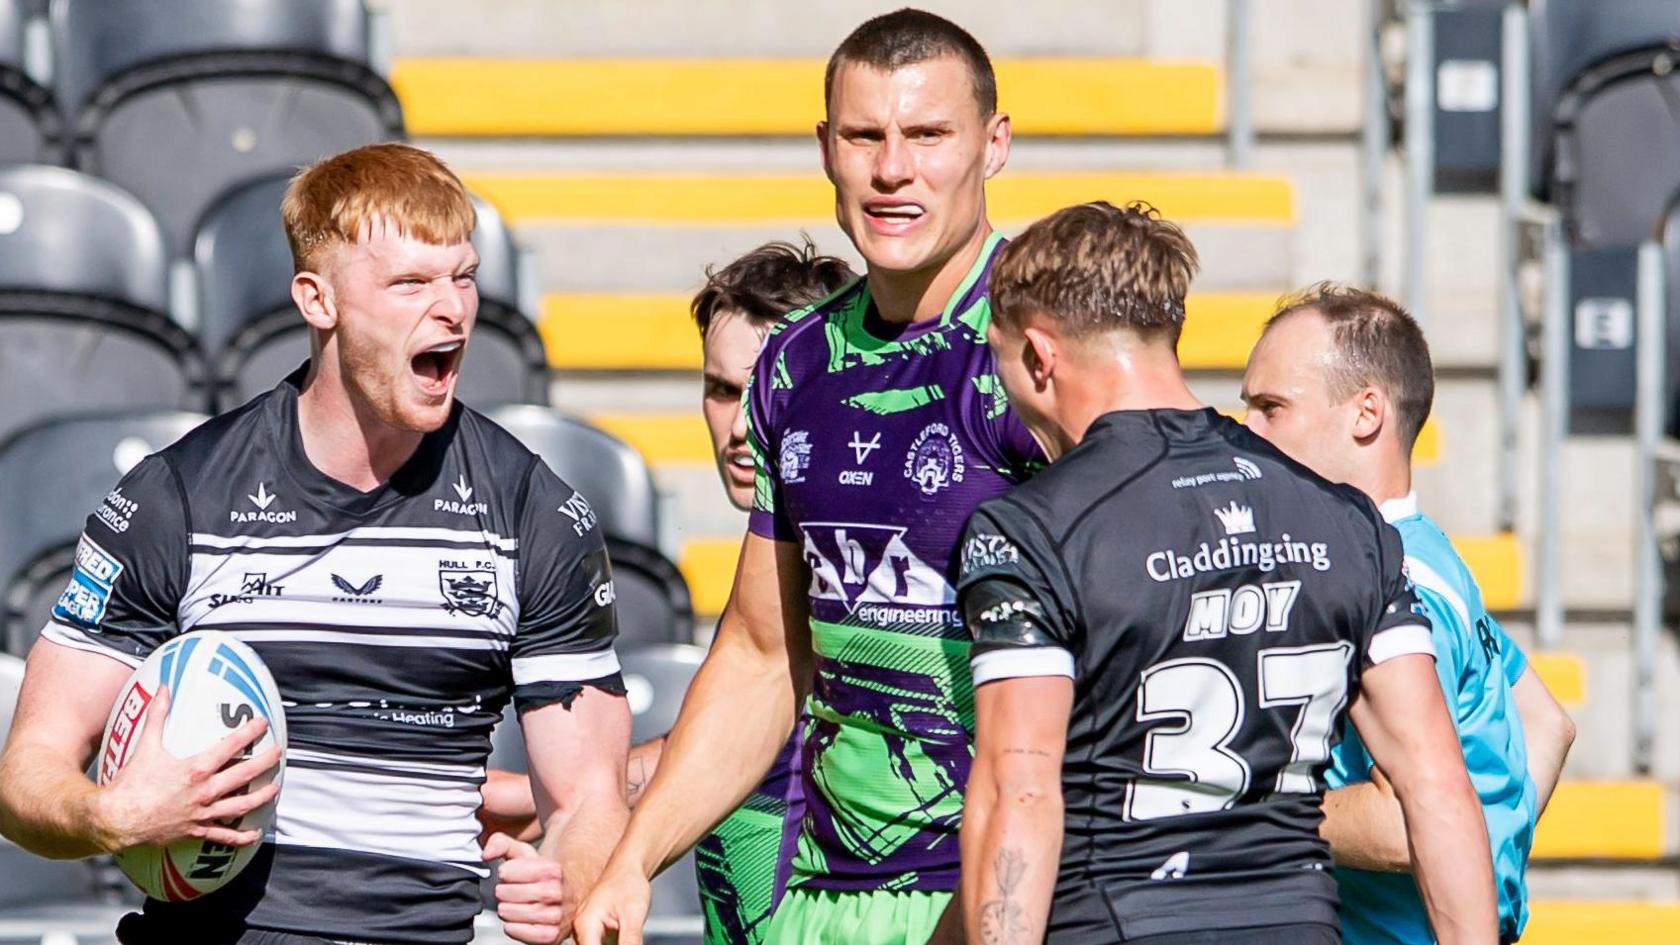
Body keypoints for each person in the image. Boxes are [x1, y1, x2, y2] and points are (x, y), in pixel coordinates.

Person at [0, 143, 631, 945]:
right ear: (317, 299)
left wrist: (567, 877)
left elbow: (588, 801)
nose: (453, 310)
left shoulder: (530, 510)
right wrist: (108, 813)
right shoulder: (180, 497)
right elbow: (27, 770)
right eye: (410, 283)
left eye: (463, 277)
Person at [576, 10, 1040, 945]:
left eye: (927, 135)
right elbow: (759, 655)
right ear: (826, 148)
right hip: (824, 902)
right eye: (865, 136)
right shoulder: (796, 363)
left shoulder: (1044, 347)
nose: (892, 169)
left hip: (998, 893)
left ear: (993, 147)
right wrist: (631, 860)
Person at [955, 201, 1500, 945]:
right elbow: (1437, 787)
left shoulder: (1030, 530)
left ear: (1039, 356)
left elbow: (1017, 792)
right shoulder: (1347, 520)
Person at [477, 238, 856, 945]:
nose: (742, 426)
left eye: (773, 390)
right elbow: (754, 737)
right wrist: (579, 793)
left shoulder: (865, 570)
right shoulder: (773, 565)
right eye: (720, 389)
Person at [1241, 284, 1577, 944]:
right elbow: (1548, 723)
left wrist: (1241, 812)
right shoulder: (1430, 554)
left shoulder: (1389, 580)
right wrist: (1485, 862)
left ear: (1366, 413)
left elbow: (1404, 821)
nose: (1245, 431)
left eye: (1270, 408)